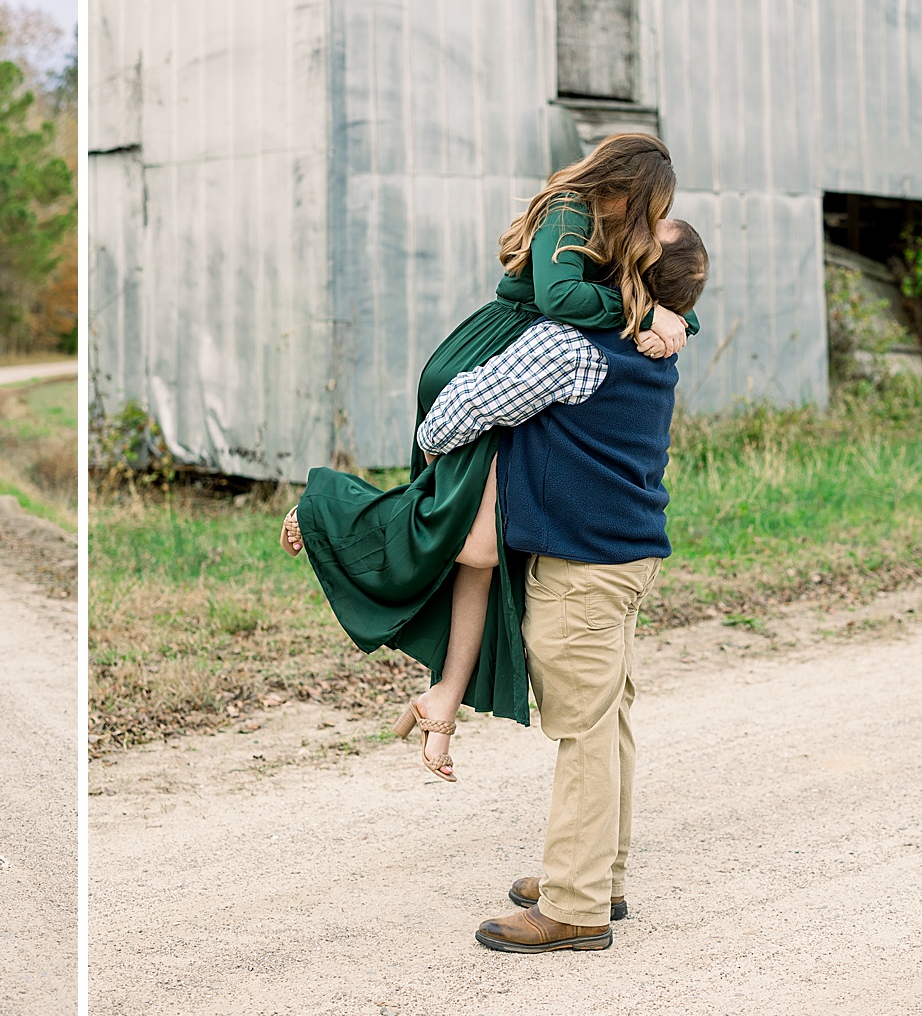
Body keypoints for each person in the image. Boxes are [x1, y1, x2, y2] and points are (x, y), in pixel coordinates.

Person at [281, 133, 696, 780]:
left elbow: (649, 287)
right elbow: (561, 301)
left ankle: (442, 702)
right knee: (453, 525)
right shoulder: (570, 208)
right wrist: (640, 304)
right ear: (626, 187)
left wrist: (673, 313)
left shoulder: (607, 229)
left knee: (480, 555)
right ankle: (326, 509)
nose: (645, 222)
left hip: (517, 365)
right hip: (482, 360)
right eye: (647, 206)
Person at [407, 221, 710, 951]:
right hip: (629, 554)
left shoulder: (568, 344)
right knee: (608, 720)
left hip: (581, 567)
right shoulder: (654, 342)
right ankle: (599, 875)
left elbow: (447, 420)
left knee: (582, 729)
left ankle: (575, 904)